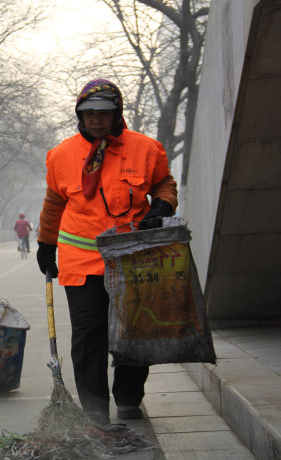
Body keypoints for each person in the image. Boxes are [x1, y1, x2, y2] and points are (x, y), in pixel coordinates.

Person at [36, 79, 178, 425]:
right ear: (79, 116)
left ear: (118, 113)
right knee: (89, 332)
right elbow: (54, 204)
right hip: (80, 261)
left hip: (133, 257)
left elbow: (164, 183)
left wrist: (161, 206)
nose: (96, 120)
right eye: (88, 114)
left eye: (103, 113)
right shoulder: (60, 156)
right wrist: (45, 244)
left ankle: (129, 397)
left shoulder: (146, 149)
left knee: (134, 329)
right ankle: (94, 407)